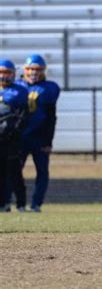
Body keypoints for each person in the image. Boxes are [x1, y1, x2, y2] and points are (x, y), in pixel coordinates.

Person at [15, 54, 60, 213]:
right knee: (14, 171)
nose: (34, 72)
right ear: (25, 69)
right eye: (31, 69)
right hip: (19, 137)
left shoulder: (49, 88)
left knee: (42, 171)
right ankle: (18, 203)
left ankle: (36, 204)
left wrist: (48, 141)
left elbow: (51, 117)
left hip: (39, 138)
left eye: (38, 69)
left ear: (43, 70)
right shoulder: (16, 86)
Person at [0, 58, 28, 212]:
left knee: (14, 172)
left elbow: (24, 115)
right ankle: (3, 203)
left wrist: (12, 130)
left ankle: (21, 203)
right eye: (1, 72)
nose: (4, 76)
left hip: (11, 138)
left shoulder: (20, 91)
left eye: (7, 72)